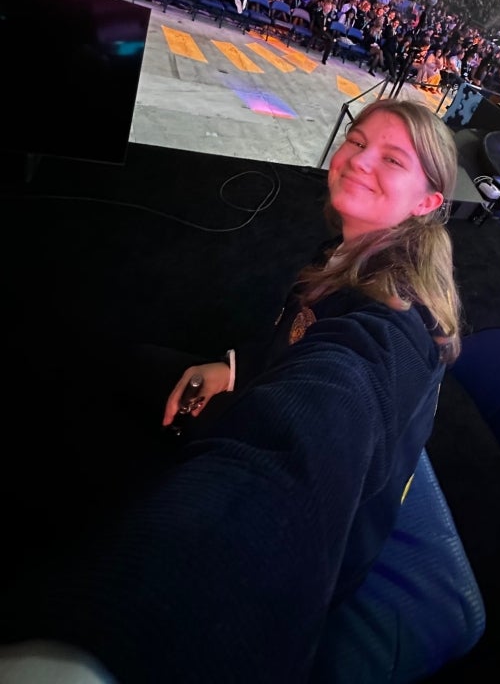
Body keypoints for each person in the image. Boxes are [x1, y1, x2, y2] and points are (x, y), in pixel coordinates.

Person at [0, 99, 462, 684]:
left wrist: (93, 655)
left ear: (426, 203)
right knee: (127, 360)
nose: (359, 159)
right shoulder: (348, 251)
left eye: (392, 158)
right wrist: (236, 369)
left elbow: (322, 417)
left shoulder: (391, 322)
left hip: (324, 551)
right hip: (267, 400)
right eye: (356, 139)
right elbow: (294, 341)